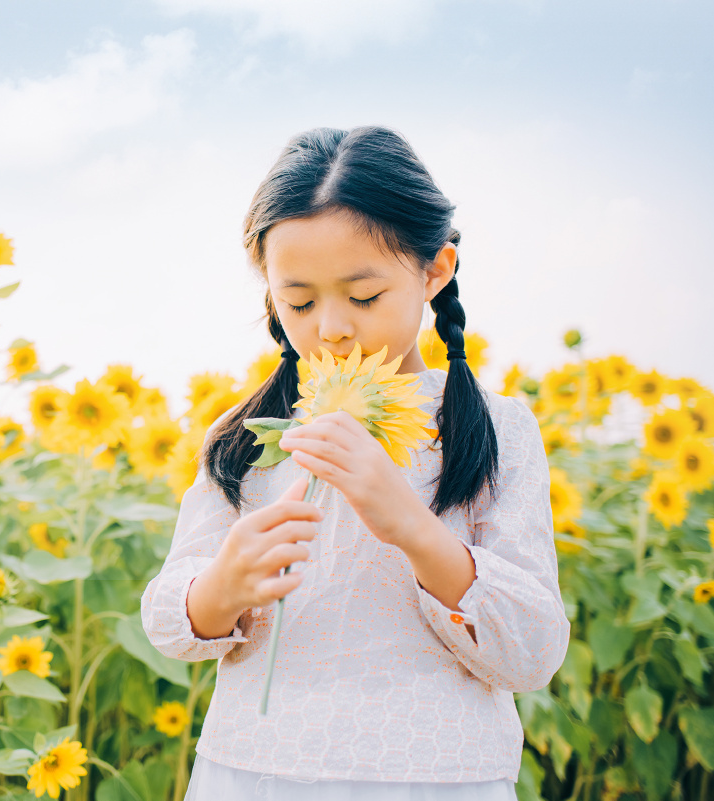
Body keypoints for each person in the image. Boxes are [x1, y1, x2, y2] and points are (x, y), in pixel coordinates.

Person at [140, 125, 571, 800]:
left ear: (435, 269)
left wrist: (410, 524)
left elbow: (533, 648)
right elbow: (169, 617)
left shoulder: (494, 428)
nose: (332, 327)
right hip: (257, 770)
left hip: (436, 774)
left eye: (363, 297)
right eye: (300, 301)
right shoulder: (247, 436)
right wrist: (223, 584)